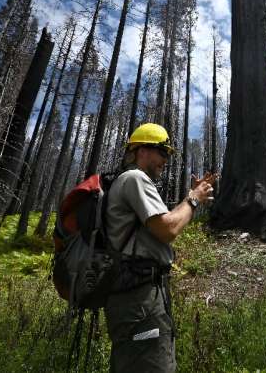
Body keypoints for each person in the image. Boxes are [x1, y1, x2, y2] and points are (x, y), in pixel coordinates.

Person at [104, 122, 215, 373]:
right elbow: (168, 229)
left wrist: (192, 198)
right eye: (162, 152)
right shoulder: (135, 178)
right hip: (139, 296)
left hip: (140, 293)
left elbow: (164, 224)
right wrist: (193, 199)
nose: (165, 160)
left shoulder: (131, 181)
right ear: (142, 150)